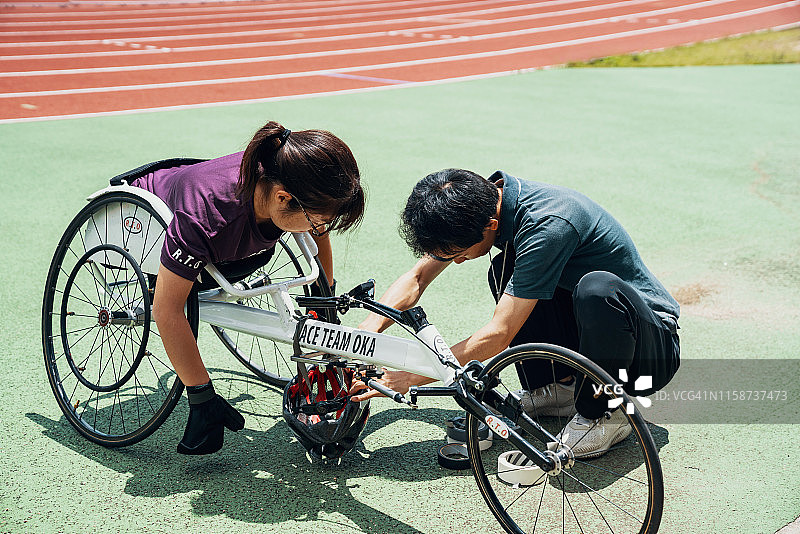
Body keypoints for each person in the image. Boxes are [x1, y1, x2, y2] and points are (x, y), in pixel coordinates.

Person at [355, 168, 679, 458]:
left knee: (596, 289)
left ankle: (606, 409)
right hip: (594, 330)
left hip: (648, 349)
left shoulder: (547, 226)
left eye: (457, 254)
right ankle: (562, 387)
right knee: (505, 268)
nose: (455, 262)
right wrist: (362, 337)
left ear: (491, 225)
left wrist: (411, 375)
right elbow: (417, 277)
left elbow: (499, 334)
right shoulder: (474, 201)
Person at [131, 120, 365, 455]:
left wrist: (322, 301)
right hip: (150, 223)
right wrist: (201, 396)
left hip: (218, 219)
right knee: (176, 300)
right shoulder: (204, 219)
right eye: (317, 220)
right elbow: (166, 311)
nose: (320, 228)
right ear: (283, 198)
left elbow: (319, 233)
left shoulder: (287, 173)